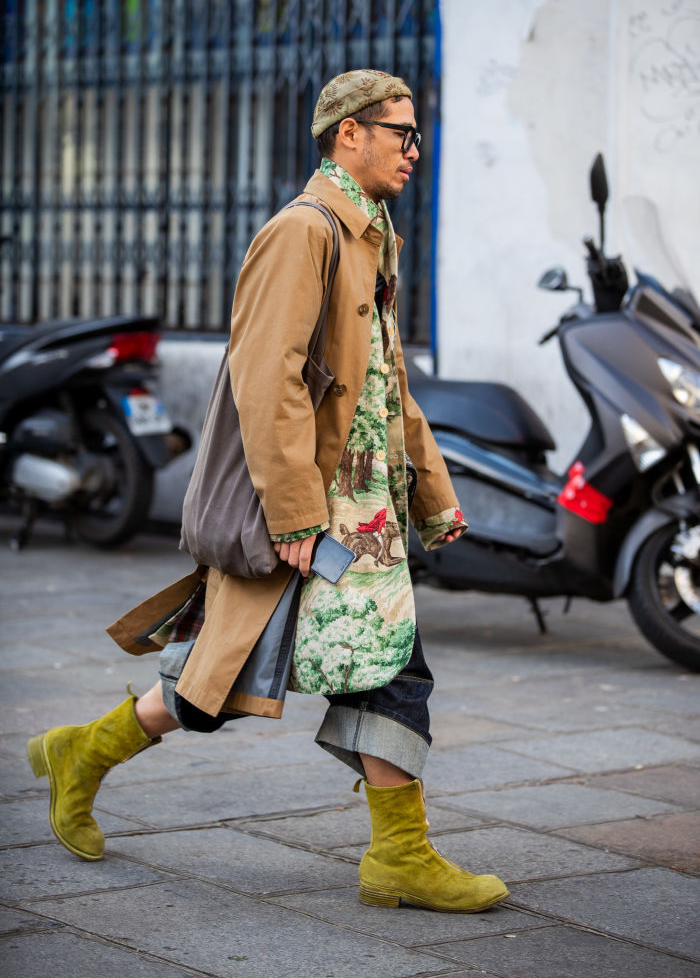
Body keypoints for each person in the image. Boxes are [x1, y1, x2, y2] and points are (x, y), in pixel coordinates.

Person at [27, 70, 508, 913]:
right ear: (348, 135)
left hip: (365, 510)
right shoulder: (305, 231)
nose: (415, 150)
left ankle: (90, 754)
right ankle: (397, 855)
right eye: (403, 133)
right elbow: (265, 379)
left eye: (417, 134)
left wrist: (432, 493)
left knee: (333, 670)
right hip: (320, 509)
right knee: (302, 675)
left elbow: (386, 383)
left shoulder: (370, 232)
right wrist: (291, 512)